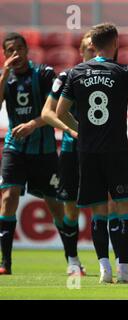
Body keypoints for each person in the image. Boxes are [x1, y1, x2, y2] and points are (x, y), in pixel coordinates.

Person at [56, 23, 128, 284]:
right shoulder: (125, 71)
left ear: (92, 46)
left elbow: (61, 112)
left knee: (98, 212)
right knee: (124, 207)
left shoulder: (75, 73)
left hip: (87, 152)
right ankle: (124, 270)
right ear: (116, 43)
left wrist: (81, 131)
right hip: (116, 150)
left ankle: (104, 269)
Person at [41, 31, 121, 276]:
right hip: (71, 151)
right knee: (71, 207)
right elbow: (47, 113)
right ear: (81, 51)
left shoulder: (113, 74)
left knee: (110, 203)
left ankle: (119, 263)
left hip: (102, 151)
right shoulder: (67, 76)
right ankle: (73, 260)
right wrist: (72, 130)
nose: (92, 52)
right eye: (87, 48)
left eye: (94, 48)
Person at [0, 32, 67, 275]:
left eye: (19, 48)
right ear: (5, 54)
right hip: (14, 149)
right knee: (8, 198)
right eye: (10, 50)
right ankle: (5, 263)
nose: (15, 53)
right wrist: (4, 74)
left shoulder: (44, 74)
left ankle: (72, 260)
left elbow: (56, 111)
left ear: (27, 51)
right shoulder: (4, 79)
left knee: (55, 205)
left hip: (44, 151)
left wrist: (33, 124)